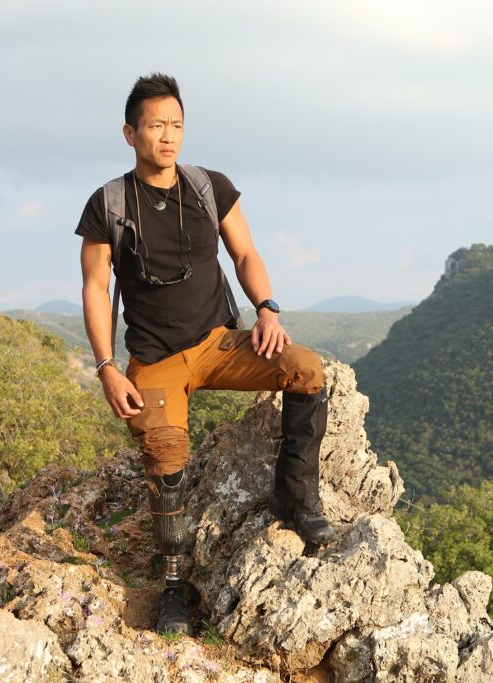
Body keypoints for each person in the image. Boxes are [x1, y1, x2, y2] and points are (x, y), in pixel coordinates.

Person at [75, 73, 336, 636]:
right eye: (154, 126)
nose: (167, 136)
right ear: (130, 133)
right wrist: (106, 367)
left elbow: (245, 252)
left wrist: (266, 307)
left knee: (308, 370)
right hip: (156, 359)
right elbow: (95, 289)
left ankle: (296, 500)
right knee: (167, 457)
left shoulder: (208, 186)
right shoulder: (109, 204)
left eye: (176, 124)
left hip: (221, 342)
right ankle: (172, 586)